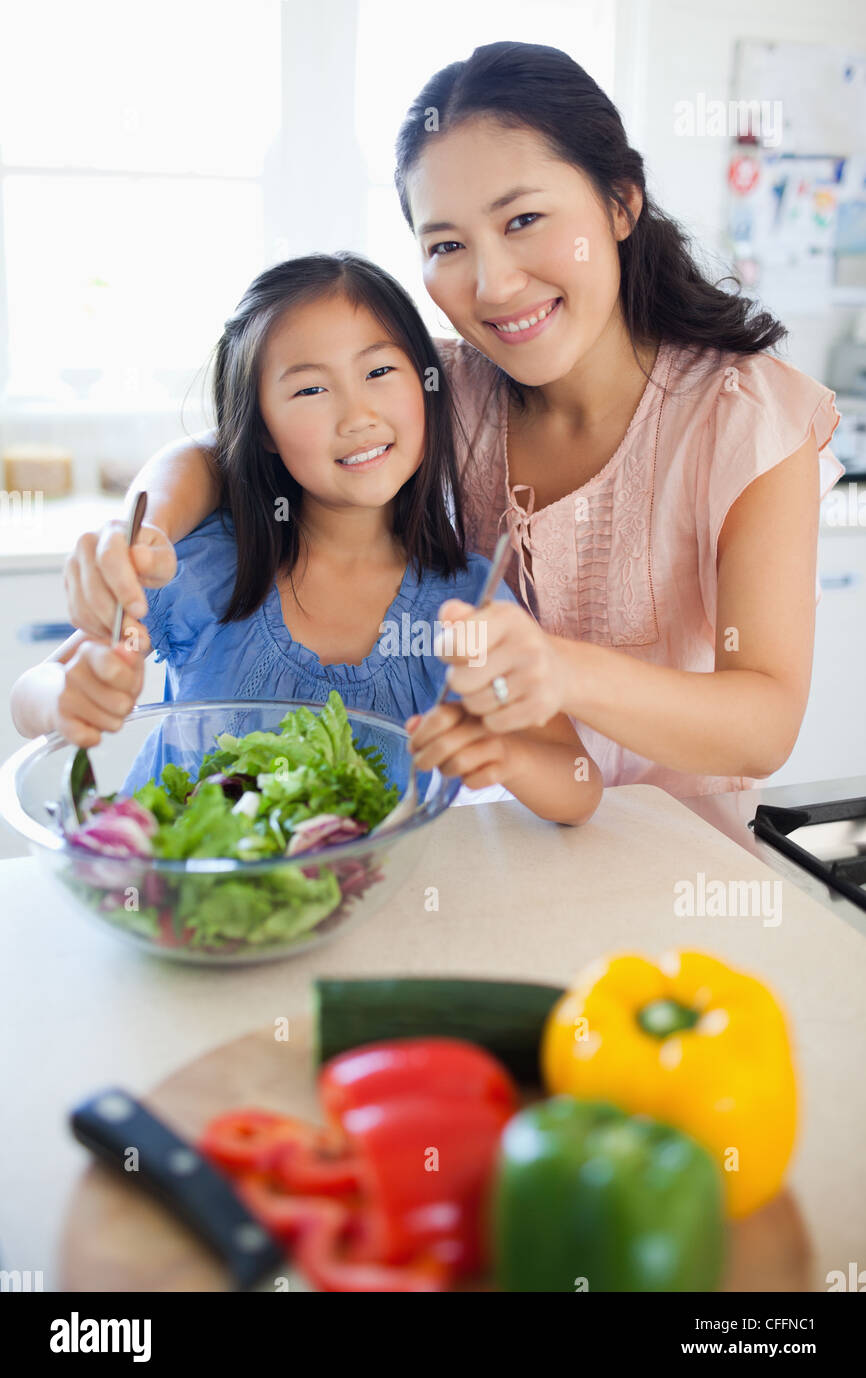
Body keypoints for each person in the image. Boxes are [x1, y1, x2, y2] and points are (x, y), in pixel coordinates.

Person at [60, 42, 843, 798]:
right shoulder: (447, 385)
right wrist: (140, 538)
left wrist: (562, 670)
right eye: (446, 243)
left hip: (682, 859)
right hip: (499, 854)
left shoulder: (749, 419)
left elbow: (764, 723)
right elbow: (231, 448)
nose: (494, 284)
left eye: (524, 219)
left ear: (619, 203)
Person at [10, 253, 601, 828]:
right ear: (263, 430)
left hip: (366, 906)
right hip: (183, 901)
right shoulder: (208, 569)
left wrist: (507, 757)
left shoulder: (468, 603)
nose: (356, 414)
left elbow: (579, 787)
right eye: (310, 390)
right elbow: (31, 694)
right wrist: (68, 700)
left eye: (378, 372)